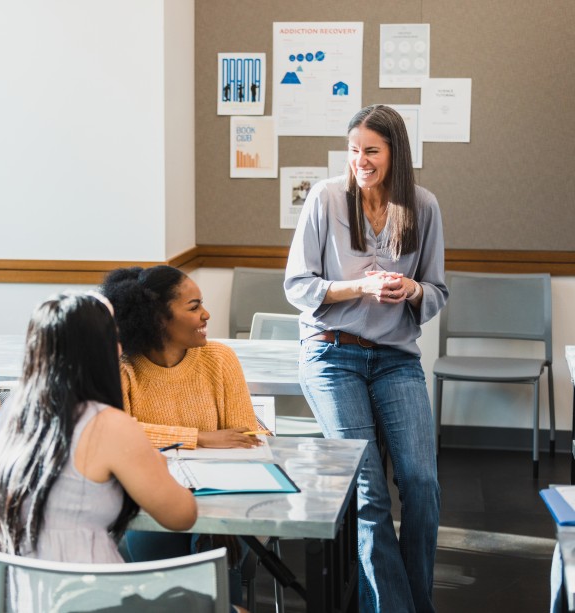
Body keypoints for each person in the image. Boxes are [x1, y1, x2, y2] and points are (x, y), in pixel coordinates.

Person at [284, 104, 448, 613]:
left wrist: (413, 288)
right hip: (332, 355)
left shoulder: (423, 207)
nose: (360, 160)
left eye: (371, 151)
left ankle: (413, 601)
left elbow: (438, 291)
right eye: (354, 150)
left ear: (395, 153)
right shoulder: (325, 198)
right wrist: (359, 286)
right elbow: (297, 285)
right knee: (369, 494)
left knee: (421, 484)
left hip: (395, 358)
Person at [0, 292, 198, 612]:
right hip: (87, 596)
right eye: (115, 338)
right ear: (103, 350)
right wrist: (157, 466)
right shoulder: (109, 425)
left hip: (17, 597)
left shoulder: (12, 409)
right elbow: (181, 515)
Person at [100, 264, 261, 608]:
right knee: (167, 586)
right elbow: (115, 436)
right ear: (157, 318)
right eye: (193, 307)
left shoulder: (220, 359)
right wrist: (201, 438)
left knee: (214, 548)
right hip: (148, 505)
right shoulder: (123, 366)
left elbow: (245, 435)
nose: (207, 314)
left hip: (220, 503)